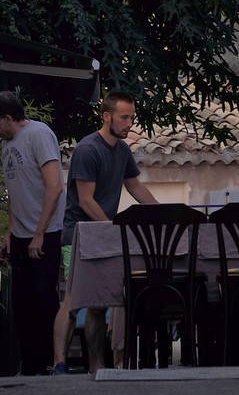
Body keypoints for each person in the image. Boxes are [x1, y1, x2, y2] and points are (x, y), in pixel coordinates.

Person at [51, 90, 157, 374]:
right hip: (79, 235)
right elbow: (86, 200)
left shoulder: (122, 150)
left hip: (103, 235)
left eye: (132, 117)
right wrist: (112, 229)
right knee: (74, 300)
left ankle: (97, 368)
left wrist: (162, 214)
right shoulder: (88, 149)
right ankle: (59, 363)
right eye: (124, 117)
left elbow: (135, 186)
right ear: (107, 116)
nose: (130, 123)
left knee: (98, 304)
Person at [0, 91, 67, 376]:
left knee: (44, 299)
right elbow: (15, 194)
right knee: (21, 304)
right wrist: (9, 234)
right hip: (21, 235)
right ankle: (30, 365)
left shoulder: (39, 134)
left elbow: (54, 186)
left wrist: (39, 234)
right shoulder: (7, 144)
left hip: (44, 233)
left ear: (9, 119)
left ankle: (51, 362)